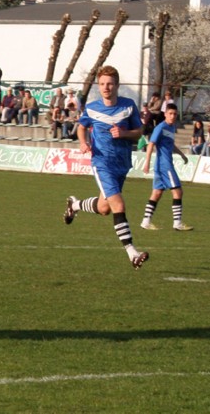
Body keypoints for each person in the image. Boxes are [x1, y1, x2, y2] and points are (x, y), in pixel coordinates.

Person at [62, 65, 149, 269]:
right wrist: (83, 143)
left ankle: (74, 205)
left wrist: (125, 134)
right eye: (102, 84)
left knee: (104, 208)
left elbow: (139, 131)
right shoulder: (92, 108)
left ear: (117, 85)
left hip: (122, 164)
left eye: (110, 83)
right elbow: (82, 126)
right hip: (102, 164)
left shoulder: (128, 106)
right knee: (119, 206)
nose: (106, 87)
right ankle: (132, 254)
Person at [141, 103, 193, 232]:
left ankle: (145, 221)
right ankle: (177, 223)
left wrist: (182, 155)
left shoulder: (171, 127)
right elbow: (151, 144)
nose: (173, 116)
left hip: (163, 165)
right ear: (165, 114)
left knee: (157, 193)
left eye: (175, 114)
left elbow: (171, 144)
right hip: (165, 165)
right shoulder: (161, 127)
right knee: (178, 192)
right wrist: (146, 162)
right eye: (170, 113)